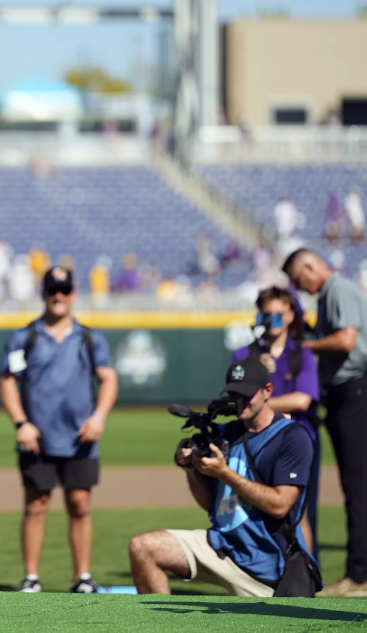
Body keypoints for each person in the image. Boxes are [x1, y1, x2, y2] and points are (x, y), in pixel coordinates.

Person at [129, 359, 315, 596]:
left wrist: (224, 473)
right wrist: (192, 470)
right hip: (221, 544)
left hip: (267, 567)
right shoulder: (225, 433)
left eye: (247, 394)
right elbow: (210, 504)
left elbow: (280, 505)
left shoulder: (291, 437)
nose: (240, 401)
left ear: (267, 391)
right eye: (234, 394)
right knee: (142, 548)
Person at [0, 266, 118, 594]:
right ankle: (32, 577)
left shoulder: (89, 337)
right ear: (43, 293)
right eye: (53, 289)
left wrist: (99, 417)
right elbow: (7, 379)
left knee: (80, 504)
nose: (58, 296)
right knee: (36, 505)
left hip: (80, 437)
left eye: (64, 290)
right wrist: (21, 422)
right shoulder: (26, 336)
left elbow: (108, 378)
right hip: (37, 439)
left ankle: (82, 576)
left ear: (74, 294)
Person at [284, 248, 367, 596]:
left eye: (298, 278)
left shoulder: (339, 289)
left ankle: (360, 576)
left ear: (309, 265)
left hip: (354, 391)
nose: (299, 286)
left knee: (358, 486)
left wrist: (307, 347)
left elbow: (347, 340)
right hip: (342, 394)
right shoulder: (330, 294)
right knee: (355, 486)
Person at [232, 287, 320, 555]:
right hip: (254, 442)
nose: (272, 321)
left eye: (278, 315)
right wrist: (258, 373)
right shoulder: (245, 356)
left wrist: (260, 402)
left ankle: (306, 580)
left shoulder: (301, 354)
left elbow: (303, 400)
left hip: (297, 440)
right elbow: (237, 400)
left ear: (291, 315)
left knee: (301, 513)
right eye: (267, 315)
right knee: (247, 511)